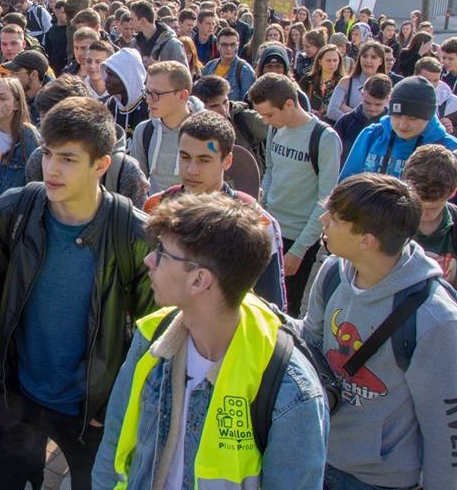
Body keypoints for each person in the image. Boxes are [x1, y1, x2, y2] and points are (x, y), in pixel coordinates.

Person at [92, 192, 328, 490]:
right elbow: (114, 444)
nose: (148, 260)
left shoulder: (292, 392)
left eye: (162, 252)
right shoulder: (151, 336)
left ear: (199, 280)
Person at [0, 96, 153, 489]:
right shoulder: (14, 210)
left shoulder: (134, 233)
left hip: (87, 412)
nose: (52, 169)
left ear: (101, 164)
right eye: (48, 154)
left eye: (69, 159)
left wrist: (110, 404)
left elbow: (151, 333)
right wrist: (0, 378)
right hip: (18, 396)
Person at [304, 173, 457, 490]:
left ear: (366, 240)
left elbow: (446, 430)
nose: (322, 220)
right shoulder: (333, 271)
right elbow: (309, 345)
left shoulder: (436, 320)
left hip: (378, 480)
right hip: (317, 454)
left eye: (333, 218)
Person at [141, 111, 287, 307]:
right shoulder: (155, 206)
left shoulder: (256, 222)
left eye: (204, 159)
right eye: (185, 157)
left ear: (227, 161)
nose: (191, 169)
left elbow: (271, 306)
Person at [250, 73, 341, 314]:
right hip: (268, 228)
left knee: (284, 311)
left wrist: (299, 250)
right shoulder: (274, 129)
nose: (266, 121)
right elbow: (270, 169)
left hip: (298, 238)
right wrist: (262, 208)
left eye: (269, 114)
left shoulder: (324, 138)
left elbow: (326, 199)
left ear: (289, 104)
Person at [25, 74, 150, 208]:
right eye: (44, 119)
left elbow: (139, 224)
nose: (51, 169)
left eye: (67, 160)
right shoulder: (38, 161)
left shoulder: (124, 171)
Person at [340, 76, 457, 180]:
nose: (402, 125)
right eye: (397, 116)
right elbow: (346, 186)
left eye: (412, 118)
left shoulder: (450, 149)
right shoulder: (371, 135)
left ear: (429, 117)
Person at [130, 61, 204, 194]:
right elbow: (137, 187)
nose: (149, 100)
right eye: (147, 92)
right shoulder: (144, 132)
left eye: (156, 94)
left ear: (182, 96)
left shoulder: (207, 133)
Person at [402, 144, 457, 285]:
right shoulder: (384, 218)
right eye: (418, 204)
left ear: (453, 192)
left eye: (433, 208)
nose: (423, 213)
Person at [192, 75, 268, 173]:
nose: (223, 110)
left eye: (225, 102)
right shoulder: (192, 128)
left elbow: (277, 130)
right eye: (214, 106)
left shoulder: (245, 119)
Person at [0, 77, 40, 196]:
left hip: (14, 210)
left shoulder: (28, 136)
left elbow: (36, 184)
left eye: (2, 98)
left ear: (17, 104)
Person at [333, 74, 392, 166]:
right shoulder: (345, 122)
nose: (372, 108)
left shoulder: (392, 126)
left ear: (388, 99)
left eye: (378, 104)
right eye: (367, 103)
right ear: (362, 94)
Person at [327, 42, 393, 123]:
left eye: (373, 57)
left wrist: (347, 110)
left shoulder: (387, 85)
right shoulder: (346, 82)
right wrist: (355, 121)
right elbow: (331, 111)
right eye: (364, 56)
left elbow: (388, 116)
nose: (368, 60)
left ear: (381, 61)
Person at [200, 28, 255, 101]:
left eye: (232, 45)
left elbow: (248, 103)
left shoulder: (245, 70)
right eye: (224, 45)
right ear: (218, 45)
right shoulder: (209, 66)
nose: (229, 48)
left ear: (238, 45)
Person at [2, 50, 50, 126]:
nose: (10, 77)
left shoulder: (53, 103)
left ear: (33, 74)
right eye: (10, 72)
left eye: (15, 72)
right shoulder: (14, 97)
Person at [300, 43, 345, 124]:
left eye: (335, 60)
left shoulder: (343, 82)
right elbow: (299, 103)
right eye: (328, 60)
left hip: (334, 125)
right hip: (310, 123)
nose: (332, 64)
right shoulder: (307, 80)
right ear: (320, 61)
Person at [131, 1, 186, 65]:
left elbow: (184, 74)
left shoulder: (173, 45)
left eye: (132, 19)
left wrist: (159, 69)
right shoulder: (135, 43)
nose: (130, 23)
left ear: (143, 21)